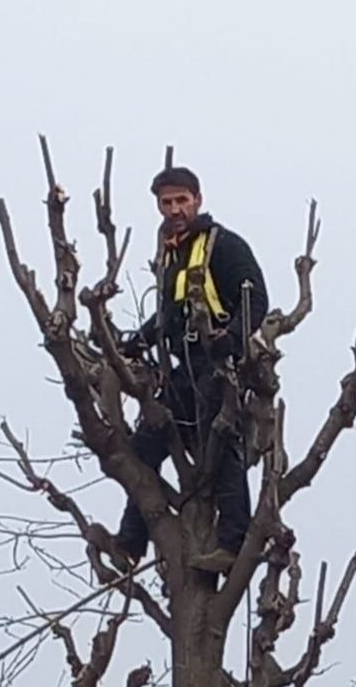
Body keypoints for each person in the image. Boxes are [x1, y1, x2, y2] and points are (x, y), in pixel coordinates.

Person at [113, 165, 268, 574]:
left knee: (222, 448)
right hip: (185, 367)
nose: (175, 209)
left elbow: (257, 300)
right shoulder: (172, 254)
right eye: (167, 203)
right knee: (145, 446)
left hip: (218, 366)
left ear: (197, 199)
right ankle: (131, 542)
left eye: (182, 200)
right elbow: (168, 316)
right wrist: (133, 343)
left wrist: (229, 340)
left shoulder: (224, 246)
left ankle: (231, 544)